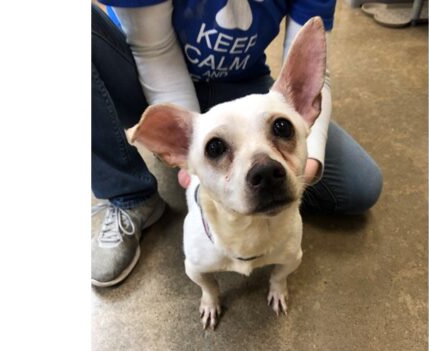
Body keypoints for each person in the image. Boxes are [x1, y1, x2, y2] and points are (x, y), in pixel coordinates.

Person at [92, 0, 383, 287]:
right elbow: (153, 49)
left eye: (281, 129)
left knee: (362, 186)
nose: (265, 171)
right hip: (147, 72)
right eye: (217, 149)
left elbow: (313, 71)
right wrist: (189, 139)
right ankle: (130, 197)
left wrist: (309, 162)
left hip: (246, 84)